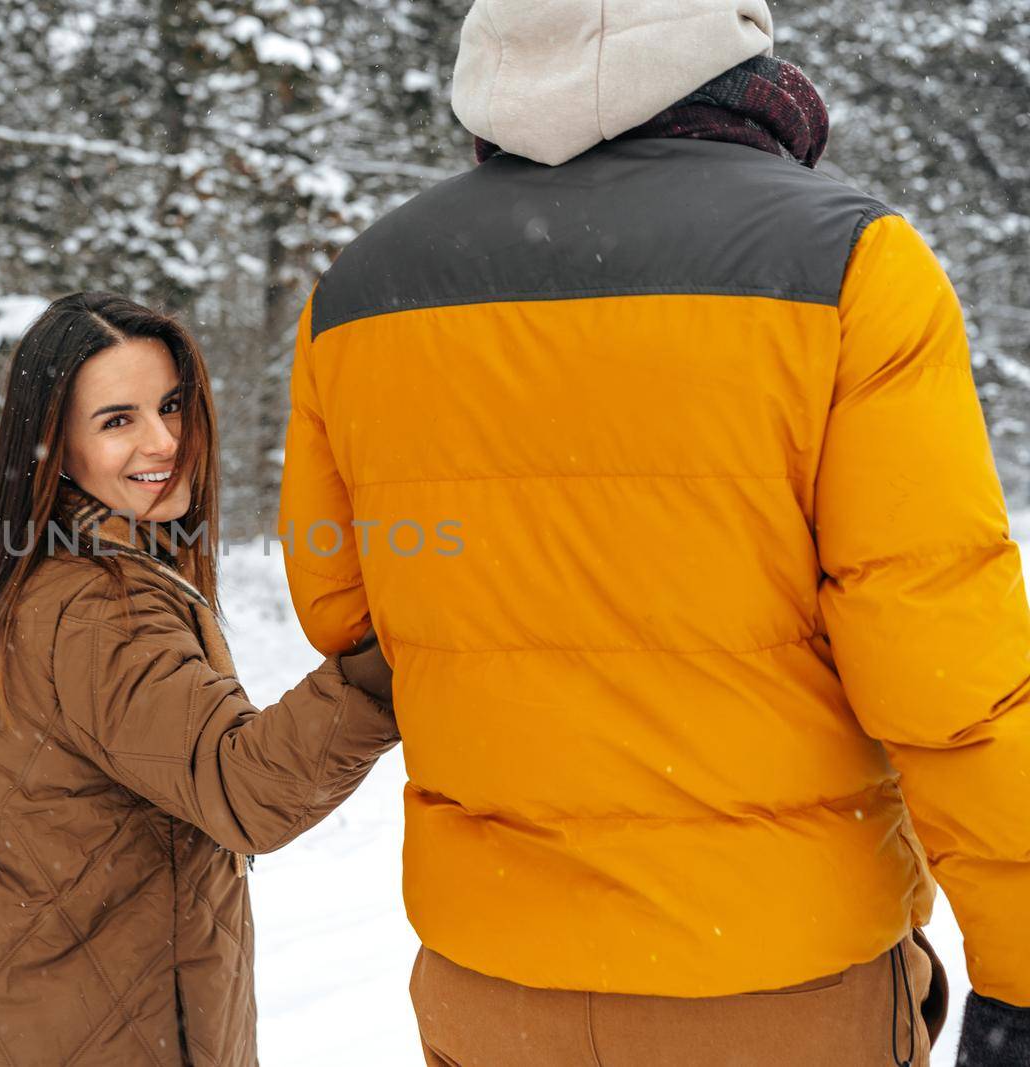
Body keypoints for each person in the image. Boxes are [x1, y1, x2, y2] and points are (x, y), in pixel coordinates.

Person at [277, 1, 1030, 1064]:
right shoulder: (849, 262)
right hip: (774, 986)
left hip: (494, 985)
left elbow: (341, 605)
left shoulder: (357, 294)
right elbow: (945, 666)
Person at [0, 291, 397, 1066]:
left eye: (171, 405)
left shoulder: (28, 579)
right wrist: (392, 659)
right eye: (117, 420)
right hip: (101, 1032)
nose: (164, 440)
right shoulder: (99, 606)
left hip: (18, 1022)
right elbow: (246, 788)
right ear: (54, 447)